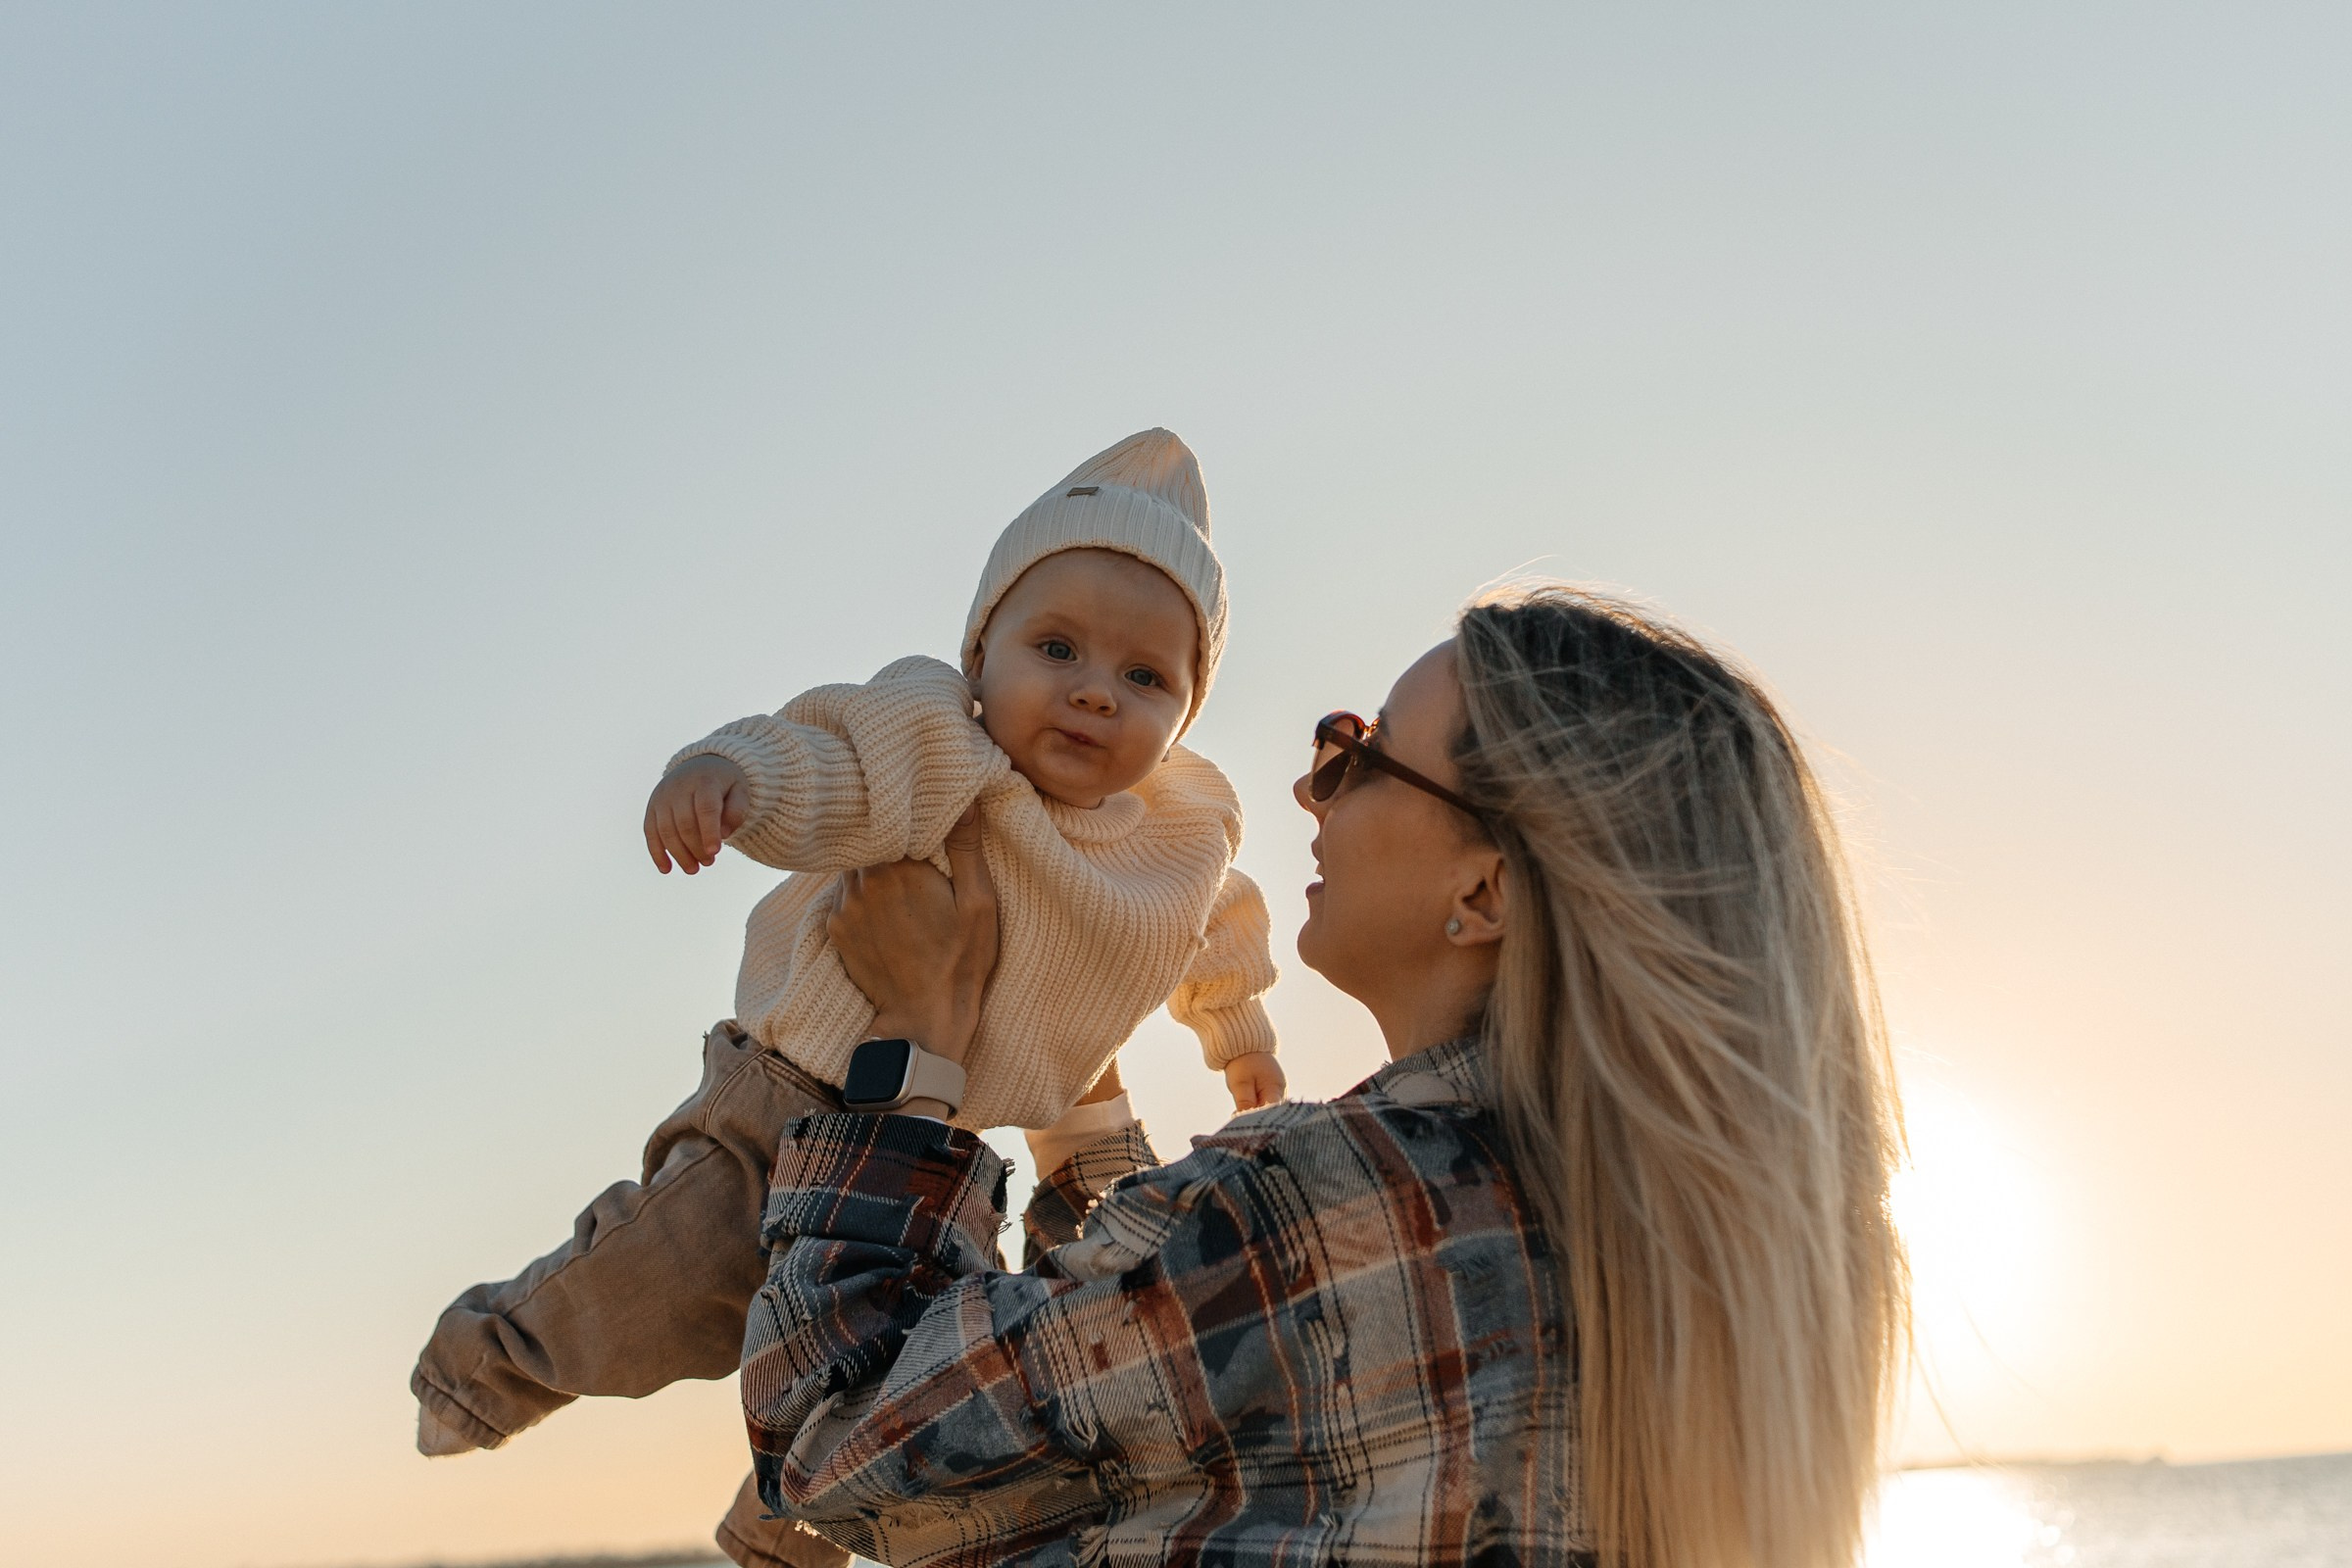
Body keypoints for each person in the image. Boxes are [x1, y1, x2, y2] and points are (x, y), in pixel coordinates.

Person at [734, 583, 1909, 1568]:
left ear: (1484, 893)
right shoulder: (1678, 1258)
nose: (1312, 791)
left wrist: (908, 1046)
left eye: (1364, 756)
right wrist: (1084, 1102)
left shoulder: (1329, 1198)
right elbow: (1206, 1417)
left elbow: (839, 1446)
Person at [409, 431, 1286, 1538]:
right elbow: (825, 762)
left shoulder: (1175, 831)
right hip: (788, 1096)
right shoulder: (937, 748)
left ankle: (782, 1539)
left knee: (913, 1345)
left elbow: (1217, 926)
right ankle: (485, 1363)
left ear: (1186, 713)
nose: (1096, 695)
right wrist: (731, 779)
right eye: (1056, 648)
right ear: (980, 659)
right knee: (663, 1293)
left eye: (1144, 677)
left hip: (939, 1135)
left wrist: (1237, 1032)